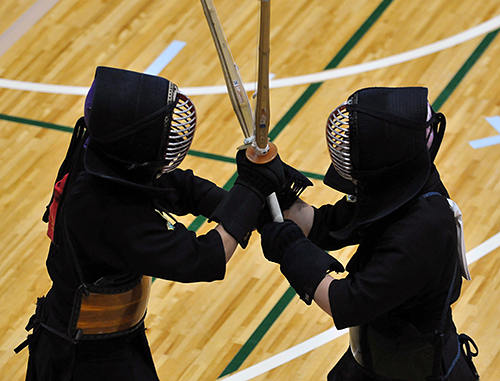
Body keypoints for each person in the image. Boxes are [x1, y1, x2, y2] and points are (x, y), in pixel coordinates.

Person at [15, 66, 287, 380]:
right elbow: (202, 258)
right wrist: (250, 192)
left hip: (114, 341)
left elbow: (180, 188)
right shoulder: (104, 210)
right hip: (83, 361)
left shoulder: (105, 155)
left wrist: (247, 206)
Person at [252, 87, 480, 380]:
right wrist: (278, 191)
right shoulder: (402, 184)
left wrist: (292, 251)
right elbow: (325, 225)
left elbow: (348, 303)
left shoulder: (423, 231)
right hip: (375, 362)